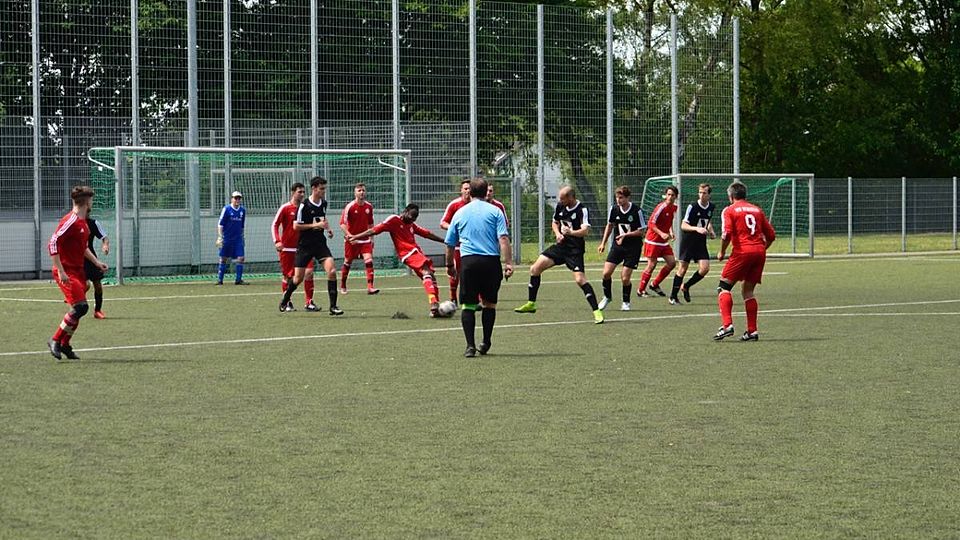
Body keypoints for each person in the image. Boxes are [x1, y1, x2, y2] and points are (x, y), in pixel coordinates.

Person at [514, 186, 604, 324]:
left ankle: (596, 311)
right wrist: (558, 234)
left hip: (575, 250)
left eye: (562, 198)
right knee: (535, 269)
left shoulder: (582, 210)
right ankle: (531, 304)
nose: (559, 201)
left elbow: (585, 231)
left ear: (571, 197)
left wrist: (571, 233)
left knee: (580, 280)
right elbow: (555, 222)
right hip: (561, 247)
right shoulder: (560, 207)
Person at [444, 178, 513, 357]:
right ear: (485, 192)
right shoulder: (495, 211)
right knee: (489, 304)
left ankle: (470, 346)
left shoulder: (460, 212)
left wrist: (449, 265)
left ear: (470, 193)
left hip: (469, 263)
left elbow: (450, 243)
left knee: (468, 305)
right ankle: (486, 341)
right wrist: (508, 263)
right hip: (491, 262)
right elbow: (503, 238)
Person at [348, 203, 447, 317]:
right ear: (405, 212)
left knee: (430, 276)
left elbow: (427, 234)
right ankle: (434, 304)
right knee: (426, 272)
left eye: (415, 218)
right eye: (411, 217)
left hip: (416, 252)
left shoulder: (411, 224)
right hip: (408, 253)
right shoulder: (394, 220)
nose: (412, 220)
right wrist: (355, 236)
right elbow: (374, 230)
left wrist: (444, 241)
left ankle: (434, 307)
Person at [47, 185, 109, 360]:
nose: (92, 203)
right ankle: (55, 340)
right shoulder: (71, 221)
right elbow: (53, 243)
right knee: (81, 307)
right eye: (91, 200)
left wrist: (97, 263)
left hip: (78, 271)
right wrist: (61, 271)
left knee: (78, 309)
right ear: (87, 202)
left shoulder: (83, 224)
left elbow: (83, 248)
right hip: (66, 271)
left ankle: (65, 345)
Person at [714, 181, 776, 341]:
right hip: (759, 252)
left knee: (723, 287)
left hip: (742, 252)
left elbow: (726, 234)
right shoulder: (757, 210)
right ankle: (752, 331)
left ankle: (727, 325)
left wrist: (722, 251)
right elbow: (771, 236)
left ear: (731, 196)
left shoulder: (730, 210)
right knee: (748, 291)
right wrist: (760, 249)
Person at [278, 176, 343, 316]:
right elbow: (296, 226)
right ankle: (286, 298)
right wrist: (315, 225)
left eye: (324, 188)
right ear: (314, 188)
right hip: (305, 246)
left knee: (332, 271)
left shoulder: (324, 203)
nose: (324, 191)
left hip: (320, 244)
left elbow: (322, 218)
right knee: (297, 278)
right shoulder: (304, 206)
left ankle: (333, 306)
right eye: (321, 189)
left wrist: (328, 228)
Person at [596, 186, 646, 311]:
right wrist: (603, 243)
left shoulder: (637, 211)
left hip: (633, 248)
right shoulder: (614, 209)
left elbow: (641, 231)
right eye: (617, 197)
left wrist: (625, 235)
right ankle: (607, 297)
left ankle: (626, 302)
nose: (618, 200)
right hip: (618, 246)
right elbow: (610, 226)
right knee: (606, 273)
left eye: (621, 198)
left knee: (625, 278)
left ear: (628, 198)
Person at [271, 182, 317, 312]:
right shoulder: (285, 208)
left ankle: (309, 302)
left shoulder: (306, 208)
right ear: (293, 193)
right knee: (288, 277)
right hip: (287, 249)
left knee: (309, 273)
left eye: (303, 192)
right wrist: (277, 241)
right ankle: (287, 302)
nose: (302, 194)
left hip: (304, 248)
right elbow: (275, 225)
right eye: (299, 192)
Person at [669, 183, 716, 305]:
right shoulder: (693, 206)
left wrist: (711, 231)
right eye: (700, 192)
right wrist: (696, 229)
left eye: (704, 193)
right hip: (688, 241)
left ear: (709, 195)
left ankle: (686, 286)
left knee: (705, 269)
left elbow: (707, 221)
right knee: (682, 269)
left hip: (700, 242)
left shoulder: (711, 207)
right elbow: (683, 225)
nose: (701, 195)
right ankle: (673, 297)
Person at [636, 185, 678, 298]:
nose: (670, 197)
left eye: (672, 195)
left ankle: (654, 284)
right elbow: (651, 223)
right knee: (652, 264)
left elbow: (669, 221)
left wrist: (671, 231)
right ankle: (641, 290)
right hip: (653, 240)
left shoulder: (674, 208)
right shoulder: (661, 207)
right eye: (668, 194)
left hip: (663, 242)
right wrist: (662, 233)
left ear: (676, 197)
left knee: (672, 263)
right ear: (665, 195)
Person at [338, 182, 379, 295]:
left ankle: (370, 287)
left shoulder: (369, 207)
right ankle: (343, 285)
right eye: (359, 191)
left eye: (363, 190)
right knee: (348, 262)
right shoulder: (350, 207)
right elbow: (342, 224)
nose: (362, 193)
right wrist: (350, 236)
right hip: (352, 241)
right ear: (355, 193)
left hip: (365, 240)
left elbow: (371, 224)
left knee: (369, 260)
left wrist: (372, 239)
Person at [439, 180, 471, 304]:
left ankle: (477, 298)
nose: (468, 191)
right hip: (457, 246)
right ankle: (453, 297)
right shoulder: (454, 205)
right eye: (465, 188)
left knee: (473, 271)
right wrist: (454, 228)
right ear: (461, 190)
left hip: (472, 245)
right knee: (455, 271)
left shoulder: (476, 205)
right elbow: (443, 223)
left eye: (470, 188)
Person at [216, 191, 248, 285]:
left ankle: (238, 280)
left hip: (238, 239)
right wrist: (220, 237)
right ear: (232, 199)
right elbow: (220, 224)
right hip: (227, 238)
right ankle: (220, 280)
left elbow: (242, 226)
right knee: (223, 258)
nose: (237, 200)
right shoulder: (226, 209)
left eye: (239, 198)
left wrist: (242, 237)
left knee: (241, 258)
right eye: (235, 198)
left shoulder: (242, 210)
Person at [84, 215, 110, 319]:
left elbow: (105, 237)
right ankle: (73, 298)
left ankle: (97, 310)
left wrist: (105, 245)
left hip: (91, 258)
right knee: (85, 285)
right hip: (76, 258)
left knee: (98, 285)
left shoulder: (93, 223)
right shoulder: (72, 223)